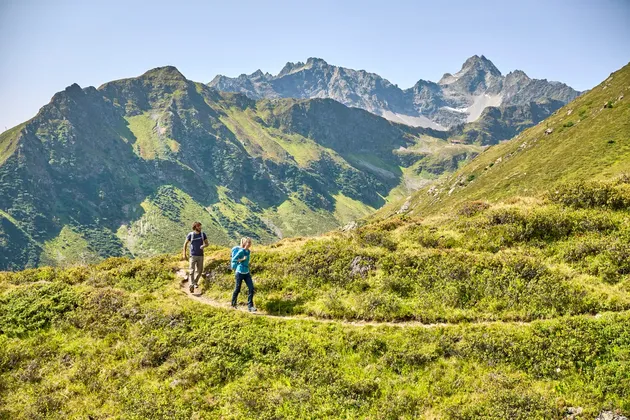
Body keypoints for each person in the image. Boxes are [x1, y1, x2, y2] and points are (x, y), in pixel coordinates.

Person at [231, 237, 256, 312]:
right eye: (248, 243)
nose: (249, 244)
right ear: (245, 243)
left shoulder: (248, 251)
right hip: (239, 272)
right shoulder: (241, 251)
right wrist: (242, 259)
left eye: (250, 243)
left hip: (246, 272)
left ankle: (250, 306)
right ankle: (233, 304)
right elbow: (234, 259)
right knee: (237, 289)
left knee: (251, 288)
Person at [182, 222, 209, 293]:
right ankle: (191, 285)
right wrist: (184, 254)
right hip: (192, 256)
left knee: (199, 271)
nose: (200, 228)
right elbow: (185, 244)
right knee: (191, 271)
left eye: (200, 226)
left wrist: (204, 246)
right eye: (199, 226)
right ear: (195, 227)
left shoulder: (203, 234)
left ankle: (195, 282)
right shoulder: (190, 235)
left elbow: (207, 243)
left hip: (201, 256)